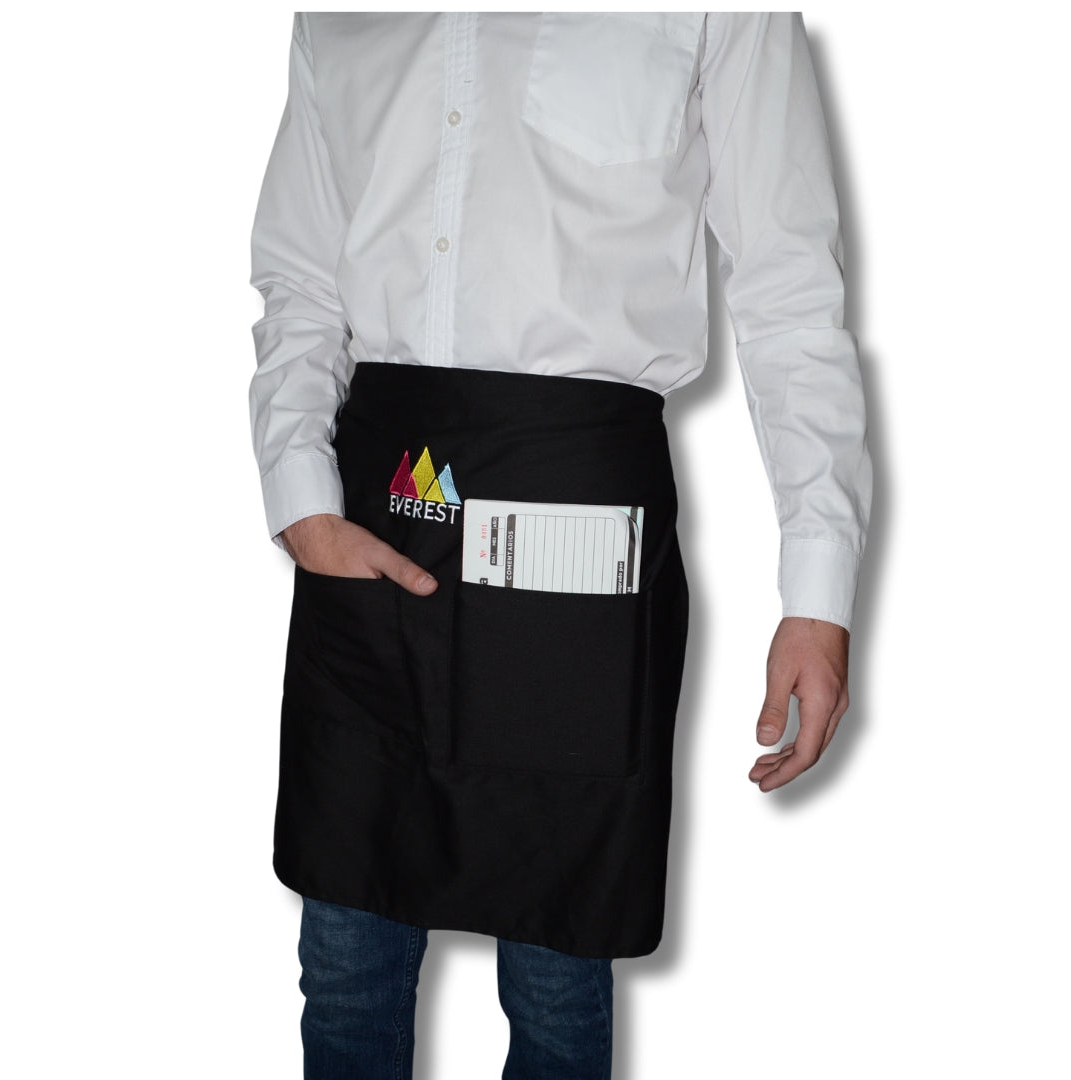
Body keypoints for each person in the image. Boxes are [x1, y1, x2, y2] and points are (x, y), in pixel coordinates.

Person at [248, 12, 871, 1079]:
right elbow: (300, 279)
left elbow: (788, 286)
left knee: (556, 965)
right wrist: (300, 494)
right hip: (379, 513)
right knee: (347, 956)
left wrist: (819, 589)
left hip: (581, 530)